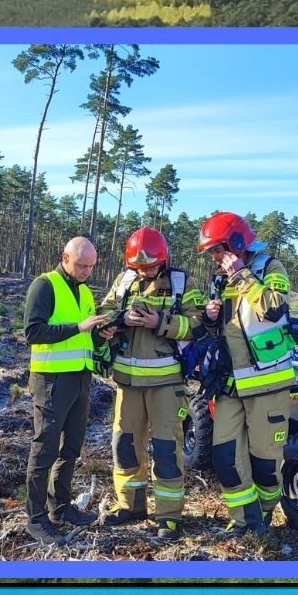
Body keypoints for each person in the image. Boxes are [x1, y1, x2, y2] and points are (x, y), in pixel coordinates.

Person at [97, 226, 204, 535]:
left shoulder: (183, 283)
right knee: (125, 446)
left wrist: (161, 323)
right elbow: (103, 310)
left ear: (164, 259)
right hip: (127, 383)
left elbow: (198, 326)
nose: (144, 271)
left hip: (166, 384)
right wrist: (119, 318)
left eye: (149, 266)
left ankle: (169, 516)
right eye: (138, 266)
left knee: (167, 449)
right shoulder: (125, 280)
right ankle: (131, 507)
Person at [196, 211, 296, 537]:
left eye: (217, 249)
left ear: (237, 243)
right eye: (211, 252)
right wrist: (209, 315)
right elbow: (225, 328)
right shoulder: (219, 278)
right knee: (225, 456)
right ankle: (244, 522)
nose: (214, 257)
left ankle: (265, 515)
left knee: (266, 466)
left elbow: (273, 308)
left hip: (267, 382)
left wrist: (241, 275)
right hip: (229, 383)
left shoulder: (270, 268)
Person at [21, 236, 116, 545]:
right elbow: (33, 332)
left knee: (72, 446)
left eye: (91, 266)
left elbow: (87, 339)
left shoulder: (86, 291)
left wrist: (102, 335)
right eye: (82, 265)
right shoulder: (44, 285)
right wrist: (79, 327)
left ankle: (61, 507)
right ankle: (35, 519)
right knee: (44, 448)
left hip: (80, 380)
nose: (87, 271)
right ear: (64, 257)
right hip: (51, 381)